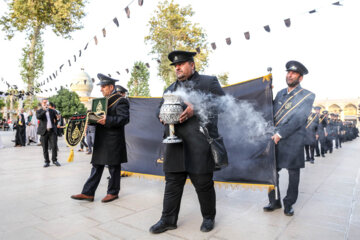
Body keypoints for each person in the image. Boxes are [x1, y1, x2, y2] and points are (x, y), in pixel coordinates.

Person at [149, 50, 225, 234]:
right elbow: (159, 109)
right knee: (172, 183)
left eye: (181, 64)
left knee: (203, 184)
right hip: (175, 145)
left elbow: (222, 103)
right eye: (175, 65)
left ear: (192, 64)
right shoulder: (170, 89)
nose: (177, 68)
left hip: (200, 144)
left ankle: (208, 217)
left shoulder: (208, 82)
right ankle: (168, 219)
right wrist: (161, 116)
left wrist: (196, 109)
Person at [263, 60, 315, 216]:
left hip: (293, 141)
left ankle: (288, 203)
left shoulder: (307, 96)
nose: (289, 75)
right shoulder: (279, 93)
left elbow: (299, 119)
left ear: (300, 78)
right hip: (275, 140)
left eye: (293, 73)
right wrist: (265, 94)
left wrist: (280, 134)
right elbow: (270, 112)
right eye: (288, 72)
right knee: (272, 172)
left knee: (293, 175)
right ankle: (274, 201)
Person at [71, 74, 130, 203]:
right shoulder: (101, 102)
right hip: (101, 139)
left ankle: (113, 192)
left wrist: (107, 120)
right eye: (101, 87)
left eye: (103, 87)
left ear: (111, 87)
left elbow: (124, 119)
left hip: (114, 139)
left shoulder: (121, 100)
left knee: (114, 167)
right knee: (96, 166)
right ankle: (88, 193)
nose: (101, 89)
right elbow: (97, 117)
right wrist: (89, 120)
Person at [36, 99, 61, 167]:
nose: (45, 104)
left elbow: (57, 119)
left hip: (52, 131)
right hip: (44, 132)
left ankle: (54, 160)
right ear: (42, 103)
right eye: (44, 102)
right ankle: (47, 161)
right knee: (45, 147)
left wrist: (58, 119)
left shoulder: (52, 111)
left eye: (46, 102)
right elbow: (38, 117)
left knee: (54, 146)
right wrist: (44, 110)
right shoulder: (39, 111)